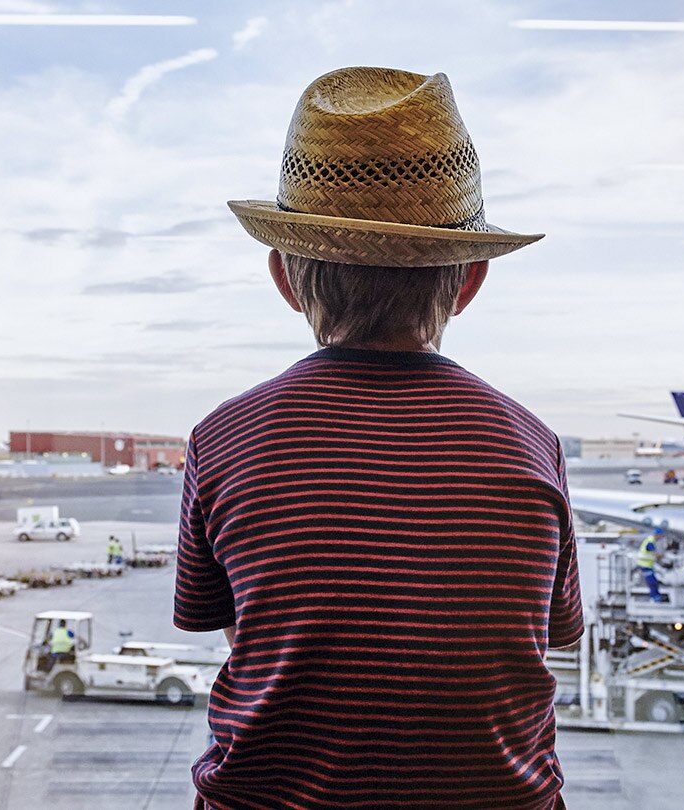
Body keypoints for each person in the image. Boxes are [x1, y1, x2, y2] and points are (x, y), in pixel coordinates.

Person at [174, 66, 581, 810]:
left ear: (283, 278)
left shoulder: (222, 439)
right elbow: (542, 642)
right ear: (469, 281)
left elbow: (246, 640)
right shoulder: (533, 444)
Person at [637, 531, 664, 603]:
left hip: (647, 565)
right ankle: (655, 598)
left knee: (653, 581)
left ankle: (656, 596)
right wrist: (663, 555)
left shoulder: (651, 540)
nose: (661, 538)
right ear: (658, 535)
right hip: (645, 565)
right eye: (661, 536)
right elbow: (655, 554)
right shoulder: (650, 542)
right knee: (652, 582)